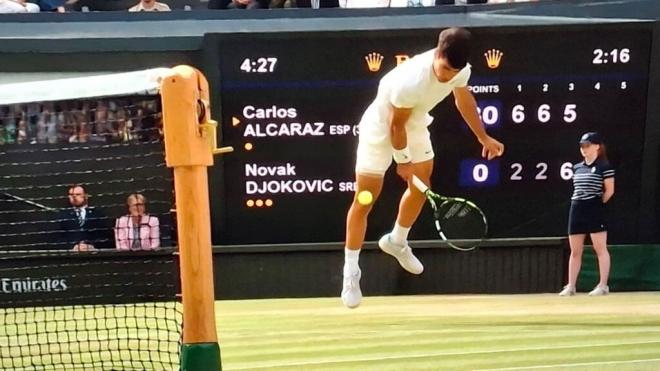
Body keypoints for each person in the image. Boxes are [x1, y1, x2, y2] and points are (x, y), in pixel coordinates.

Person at [341, 27, 504, 308]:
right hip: (381, 130)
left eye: (455, 72)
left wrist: (483, 135)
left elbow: (463, 99)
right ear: (437, 54)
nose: (448, 76)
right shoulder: (410, 80)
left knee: (422, 185)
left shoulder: (460, 70)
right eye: (445, 69)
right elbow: (395, 125)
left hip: (414, 126)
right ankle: (351, 272)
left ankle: (396, 241)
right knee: (365, 199)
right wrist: (403, 162)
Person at [559, 132, 615, 296]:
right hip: (576, 209)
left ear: (597, 146)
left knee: (600, 248)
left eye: (588, 145)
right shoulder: (577, 167)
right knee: (575, 250)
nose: (584, 149)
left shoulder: (604, 166)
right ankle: (571, 286)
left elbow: (609, 191)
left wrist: (596, 203)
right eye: (582, 146)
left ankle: (603, 285)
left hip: (594, 208)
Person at [56, 184, 110, 251]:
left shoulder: (97, 214)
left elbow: (105, 236)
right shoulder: (62, 215)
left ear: (86, 196)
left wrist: (92, 246)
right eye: (71, 195)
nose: (74, 197)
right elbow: (57, 237)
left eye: (78, 194)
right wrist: (72, 246)